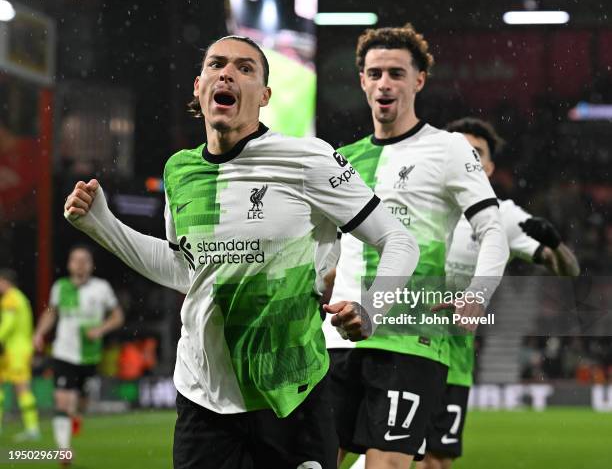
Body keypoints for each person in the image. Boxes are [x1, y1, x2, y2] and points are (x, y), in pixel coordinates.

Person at [62, 34, 421, 469]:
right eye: (216, 64)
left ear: (265, 95)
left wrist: (371, 310)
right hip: (203, 400)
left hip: (293, 397)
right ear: (199, 86)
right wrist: (103, 225)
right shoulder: (180, 171)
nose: (227, 73)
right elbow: (185, 271)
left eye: (245, 68)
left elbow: (399, 241)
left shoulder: (308, 159)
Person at [322, 24, 510, 469]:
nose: (385, 82)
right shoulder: (342, 158)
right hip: (339, 341)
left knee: (386, 466)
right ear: (362, 81)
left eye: (396, 72)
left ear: (419, 80)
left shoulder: (448, 149)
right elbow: (329, 246)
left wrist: (478, 294)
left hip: (412, 341)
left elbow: (493, 230)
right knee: (313, 461)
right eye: (375, 73)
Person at [419, 117, 580, 469]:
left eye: (476, 153)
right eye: (460, 151)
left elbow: (568, 269)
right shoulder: (417, 205)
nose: (468, 159)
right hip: (401, 346)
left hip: (453, 362)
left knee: (436, 460)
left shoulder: (503, 217)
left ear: (489, 167)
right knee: (372, 450)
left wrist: (556, 245)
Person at [33, 245, 124, 460]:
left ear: (91, 264)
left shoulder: (101, 288)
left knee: (80, 404)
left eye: (85, 260)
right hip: (63, 352)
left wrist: (100, 329)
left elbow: (117, 316)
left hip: (89, 355)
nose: (80, 264)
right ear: (69, 264)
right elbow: (51, 313)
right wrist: (39, 333)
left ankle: (75, 416)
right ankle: (64, 450)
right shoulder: (61, 286)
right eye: (76, 260)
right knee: (63, 400)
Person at [0, 269, 40, 441]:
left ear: (6, 281)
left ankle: (32, 428)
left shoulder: (11, 299)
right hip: (13, 349)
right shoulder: (20, 297)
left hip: (16, 351)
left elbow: (8, 325)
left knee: (21, 387)